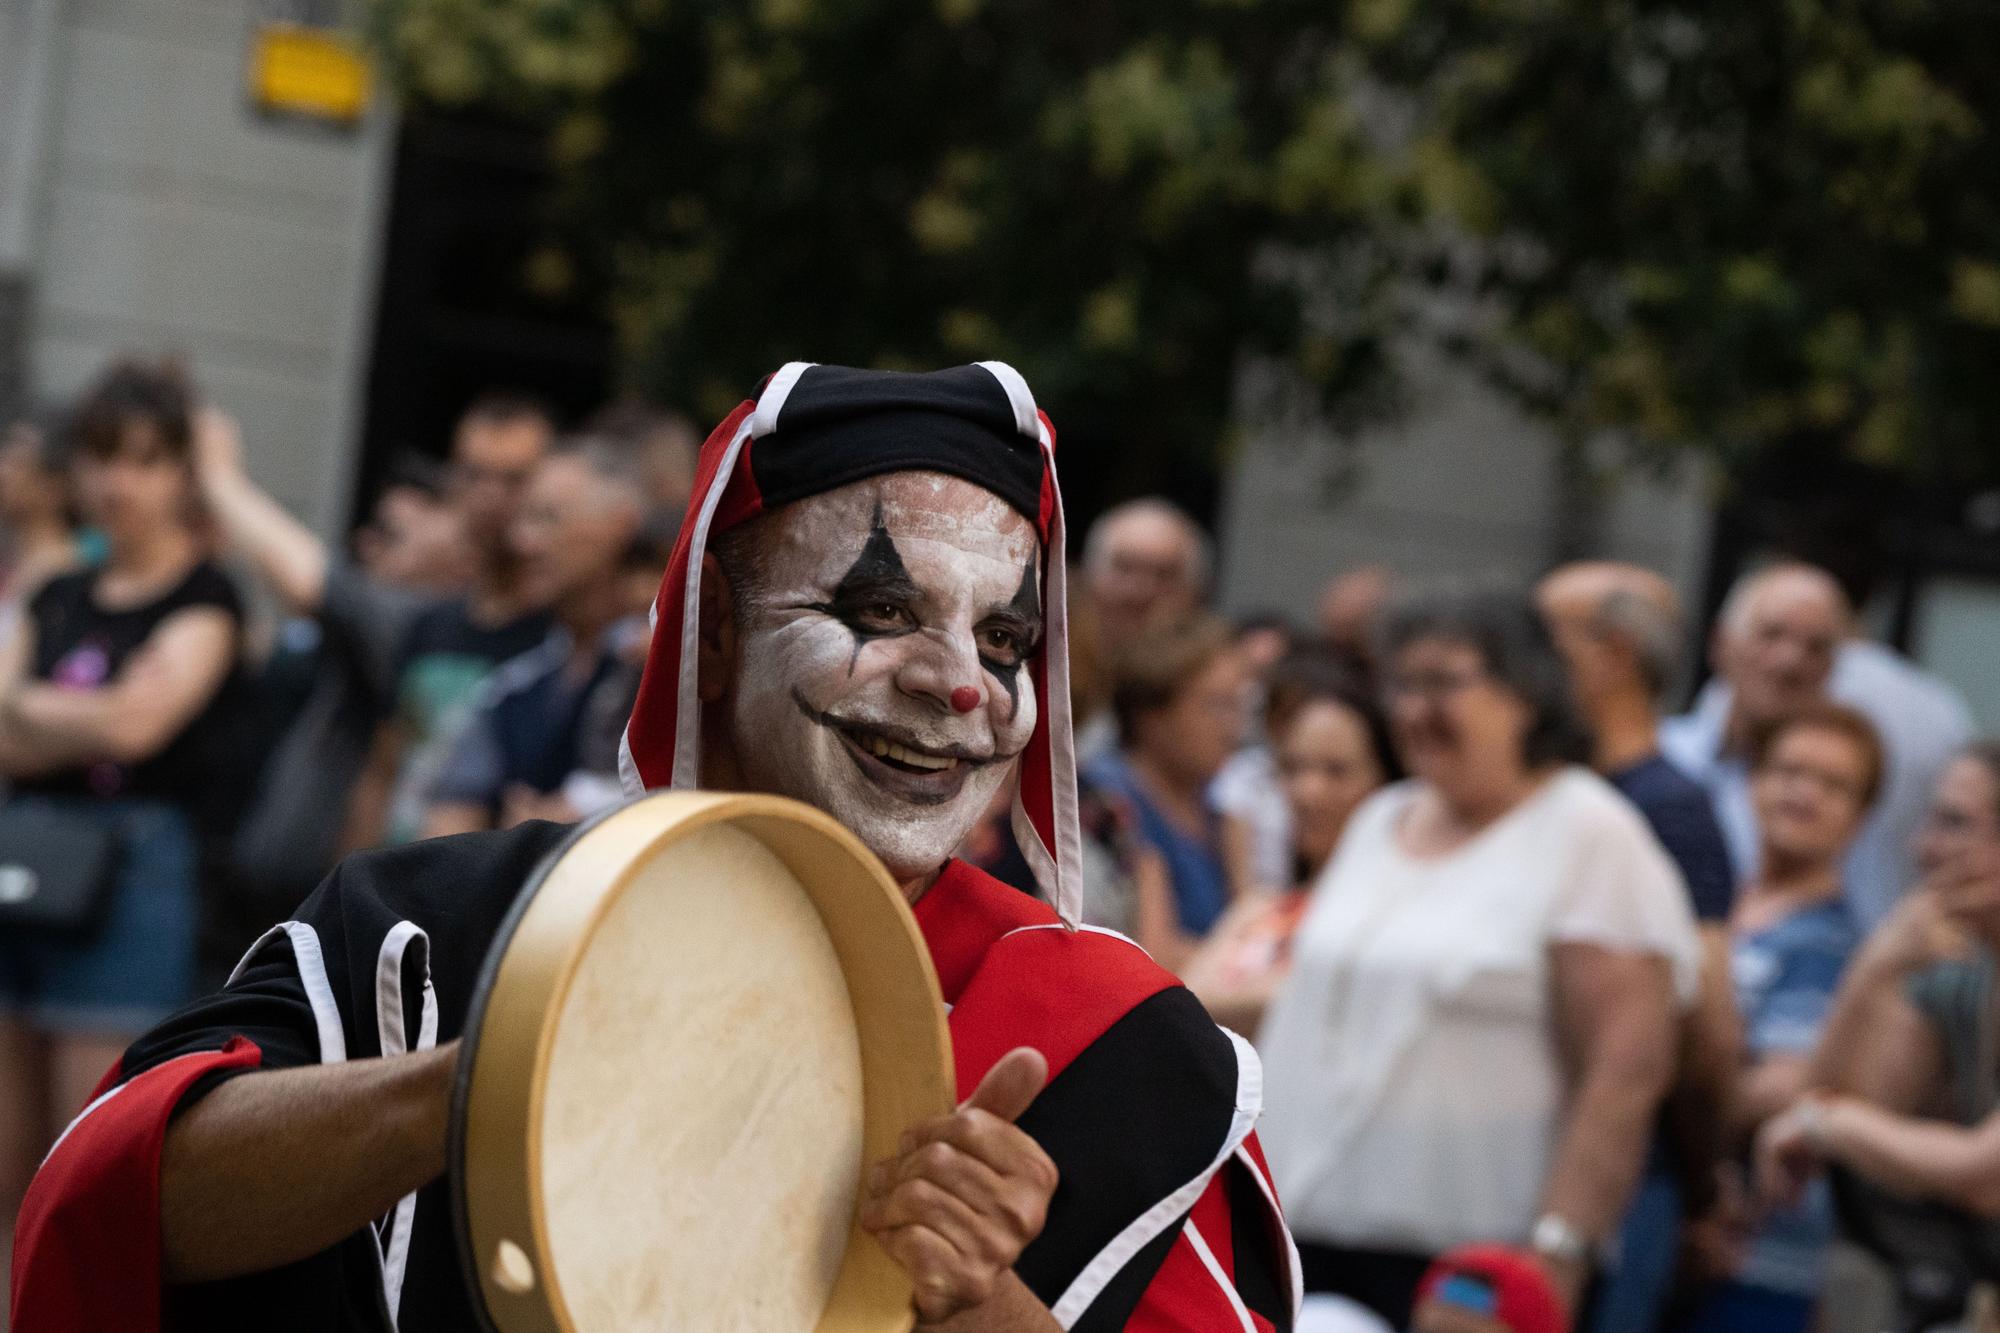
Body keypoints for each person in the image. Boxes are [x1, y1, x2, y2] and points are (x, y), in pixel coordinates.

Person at [13, 361, 1296, 1332]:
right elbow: (116, 1212)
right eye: (883, 606)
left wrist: (976, 1304)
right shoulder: (440, 927)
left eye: (1006, 642)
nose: (961, 686)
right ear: (715, 634)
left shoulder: (1121, 1043)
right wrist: (478, 1082)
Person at [1257, 584, 1701, 1331]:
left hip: (1462, 1280)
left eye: (1443, 682)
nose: (1414, 710)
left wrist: (1555, 1256)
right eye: (1402, 683)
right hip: (1298, 1246)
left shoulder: (1591, 833)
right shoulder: (1380, 818)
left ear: (1525, 691)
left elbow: (1625, 1070)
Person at [0, 360, 256, 1245]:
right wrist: (83, 715)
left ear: (183, 472)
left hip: (134, 873)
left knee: (88, 1161)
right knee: (7, 1162)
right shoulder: (58, 589)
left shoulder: (207, 596)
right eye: (104, 458)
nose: (120, 483)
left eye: (146, 460)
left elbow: (139, 727)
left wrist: (37, 708)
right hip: (25, 852)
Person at [1537, 561, 1744, 1332]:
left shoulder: (1669, 811)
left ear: (1612, 653)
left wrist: (1702, 1184)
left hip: (1632, 1185)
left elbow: (1710, 1023)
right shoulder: (1562, 792)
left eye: (1544, 637)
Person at [193, 409, 473, 926]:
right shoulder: (350, 639)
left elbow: (308, 578)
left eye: (392, 535)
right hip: (255, 896)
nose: (365, 545)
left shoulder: (414, 627)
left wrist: (219, 475)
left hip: (330, 910)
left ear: (457, 551)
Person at [1756, 746, 2000, 1308]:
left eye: (1954, 823)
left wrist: (1827, 1123)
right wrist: (1874, 967)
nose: (1923, 848)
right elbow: (1854, 1115)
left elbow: (1984, 1178)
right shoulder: (1960, 972)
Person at [1680, 704, 1879, 1333]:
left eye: (1834, 784)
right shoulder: (1719, 903)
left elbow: (1778, 1091)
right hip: (1679, 1234)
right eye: (1789, 770)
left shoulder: (1832, 942)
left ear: (1862, 815)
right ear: (1752, 780)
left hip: (1758, 1256)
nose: (1805, 793)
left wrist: (1662, 1102)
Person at [1664, 562, 1972, 928]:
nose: (1790, 661)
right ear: (1721, 642)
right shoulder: (1665, 755)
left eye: (1816, 647)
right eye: (1771, 634)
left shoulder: (1856, 757)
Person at [422, 437, 647, 835]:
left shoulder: (676, 663)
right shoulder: (510, 691)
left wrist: (581, 817)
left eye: (547, 518)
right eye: (522, 520)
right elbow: (442, 839)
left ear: (619, 524)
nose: (522, 542)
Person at [361, 392, 556, 846]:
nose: (490, 497)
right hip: (398, 879)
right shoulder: (428, 626)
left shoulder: (560, 637)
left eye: (514, 480)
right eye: (474, 475)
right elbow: (382, 772)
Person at [1184, 652, 1399, 1034]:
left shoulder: (1397, 915)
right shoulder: (1261, 907)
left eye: (1336, 771)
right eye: (1293, 768)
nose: (1306, 791)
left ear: (1385, 783)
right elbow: (1181, 1007)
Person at [1084, 613, 1251, 968]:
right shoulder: (1106, 799)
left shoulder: (1218, 812)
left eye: (1240, 706)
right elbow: (1156, 955)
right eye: (1217, 706)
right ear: (1151, 715)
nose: (1234, 728)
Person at [0, 405, 83, 647]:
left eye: (18, 462)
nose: (2, 472)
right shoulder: (14, 563)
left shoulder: (70, 576)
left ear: (56, 487)